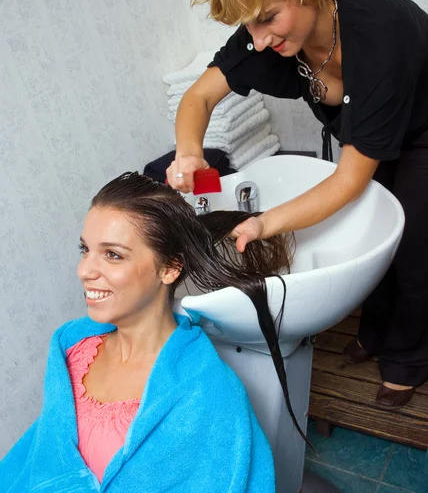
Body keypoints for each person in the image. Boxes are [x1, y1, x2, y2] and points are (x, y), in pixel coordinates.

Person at [166, 0, 428, 408]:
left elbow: (348, 179)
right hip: (371, 132)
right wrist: (190, 153)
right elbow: (198, 98)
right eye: (251, 24)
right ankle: (375, 334)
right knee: (373, 224)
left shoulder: (379, 33)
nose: (259, 40)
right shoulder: (268, 39)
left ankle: (409, 358)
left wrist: (264, 223)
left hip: (425, 127)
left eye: (267, 19)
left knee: (414, 243)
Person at [0, 172, 300, 492]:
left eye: (113, 255)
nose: (85, 270)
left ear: (170, 267)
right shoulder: (72, 352)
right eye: (85, 250)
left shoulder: (208, 395)